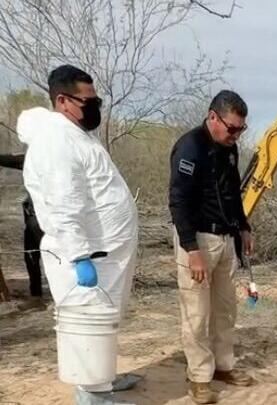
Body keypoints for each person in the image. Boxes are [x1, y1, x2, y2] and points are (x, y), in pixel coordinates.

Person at [16, 65, 140, 404]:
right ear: (62, 100)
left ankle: (104, 379)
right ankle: (93, 395)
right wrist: (79, 256)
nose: (94, 106)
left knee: (104, 322)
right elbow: (62, 205)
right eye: (88, 101)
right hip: (86, 259)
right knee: (87, 325)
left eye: (95, 99)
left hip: (107, 254)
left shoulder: (77, 134)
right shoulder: (55, 140)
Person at [169, 90, 255, 404]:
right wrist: (192, 250)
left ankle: (223, 365)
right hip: (198, 240)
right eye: (232, 128)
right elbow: (178, 202)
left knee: (225, 310)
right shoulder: (190, 147)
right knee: (196, 312)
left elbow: (234, 191)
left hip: (226, 239)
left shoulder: (230, 150)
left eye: (241, 129)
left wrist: (243, 226)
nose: (236, 134)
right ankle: (200, 376)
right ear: (212, 117)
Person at [0, 153, 45, 310]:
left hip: (44, 217)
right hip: (31, 216)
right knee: (30, 256)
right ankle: (36, 296)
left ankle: (63, 295)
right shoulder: (32, 157)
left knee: (52, 257)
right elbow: (10, 160)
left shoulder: (43, 156)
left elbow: (15, 160)